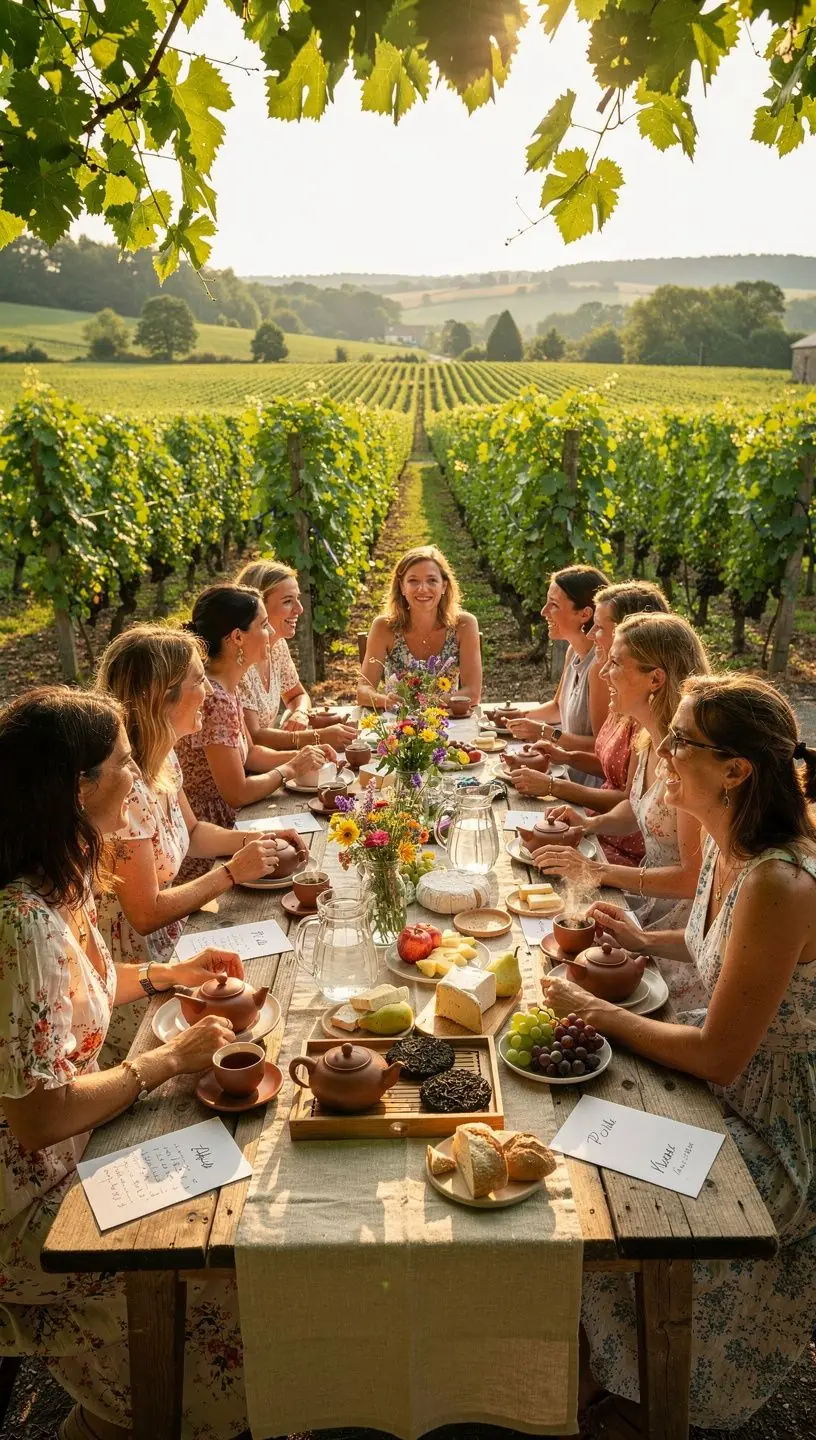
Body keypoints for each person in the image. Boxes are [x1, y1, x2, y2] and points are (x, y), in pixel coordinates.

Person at [543, 675, 816, 1437]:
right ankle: (601, 1370)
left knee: (595, 1178)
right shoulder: (738, 851)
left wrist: (596, 1009)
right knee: (568, 1131)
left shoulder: (779, 881)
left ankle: (644, 1393)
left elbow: (718, 1056)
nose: (662, 751)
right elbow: (720, 954)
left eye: (682, 741)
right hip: (725, 1081)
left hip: (771, 1124)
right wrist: (642, 938)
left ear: (736, 770)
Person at [0, 687, 250, 1440]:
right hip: (33, 1211)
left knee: (238, 1182)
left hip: (81, 1152)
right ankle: (144, 1412)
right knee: (221, 1282)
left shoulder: (55, 883)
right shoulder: (18, 925)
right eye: (119, 768)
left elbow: (89, 985)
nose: (137, 784)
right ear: (74, 790)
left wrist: (173, 977)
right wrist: (164, 1061)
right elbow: (39, 1117)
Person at [95, 624, 310, 1061]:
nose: (209, 694)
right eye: (197, 681)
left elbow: (192, 834)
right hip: (135, 981)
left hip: (182, 948)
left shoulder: (163, 755)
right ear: (163, 697)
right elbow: (145, 914)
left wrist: (259, 838)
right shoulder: (125, 788)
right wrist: (231, 873)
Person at [530, 612, 709, 1006]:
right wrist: (589, 824)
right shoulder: (650, 739)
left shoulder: (691, 760)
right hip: (646, 909)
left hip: (683, 936)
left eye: (615, 663)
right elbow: (637, 806)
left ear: (655, 679)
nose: (603, 671)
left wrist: (598, 870)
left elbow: (693, 880)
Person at [175, 585, 331, 881]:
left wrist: (306, 756)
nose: (271, 632)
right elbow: (236, 793)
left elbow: (252, 754)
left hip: (232, 828)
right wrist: (290, 769)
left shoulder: (225, 689)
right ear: (237, 637)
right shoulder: (216, 699)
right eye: (263, 625)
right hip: (212, 849)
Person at [508, 581, 669, 866]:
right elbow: (616, 772)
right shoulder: (626, 697)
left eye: (600, 627)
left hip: (625, 847)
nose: (591, 634)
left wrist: (554, 786)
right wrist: (566, 757)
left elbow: (630, 801)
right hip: (601, 825)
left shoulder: (650, 719)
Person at [233, 559, 356, 751]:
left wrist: (300, 713)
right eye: (288, 601)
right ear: (258, 607)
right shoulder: (238, 660)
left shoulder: (277, 647)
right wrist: (318, 737)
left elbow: (297, 695)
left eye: (297, 599)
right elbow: (255, 737)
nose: (299, 609)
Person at [506, 564, 610, 787]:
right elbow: (556, 708)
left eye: (553, 605)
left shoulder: (599, 669)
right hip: (565, 773)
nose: (543, 611)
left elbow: (600, 746)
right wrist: (520, 716)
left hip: (586, 788)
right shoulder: (573, 651)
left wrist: (544, 733)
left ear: (584, 614)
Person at [357, 545, 482, 709]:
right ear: (402, 587)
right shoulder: (384, 628)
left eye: (432, 580)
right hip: (397, 725)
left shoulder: (464, 625)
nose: (422, 589)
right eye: (413, 581)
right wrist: (385, 701)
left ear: (444, 586)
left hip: (448, 723)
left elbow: (472, 694)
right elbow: (363, 691)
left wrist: (425, 704)